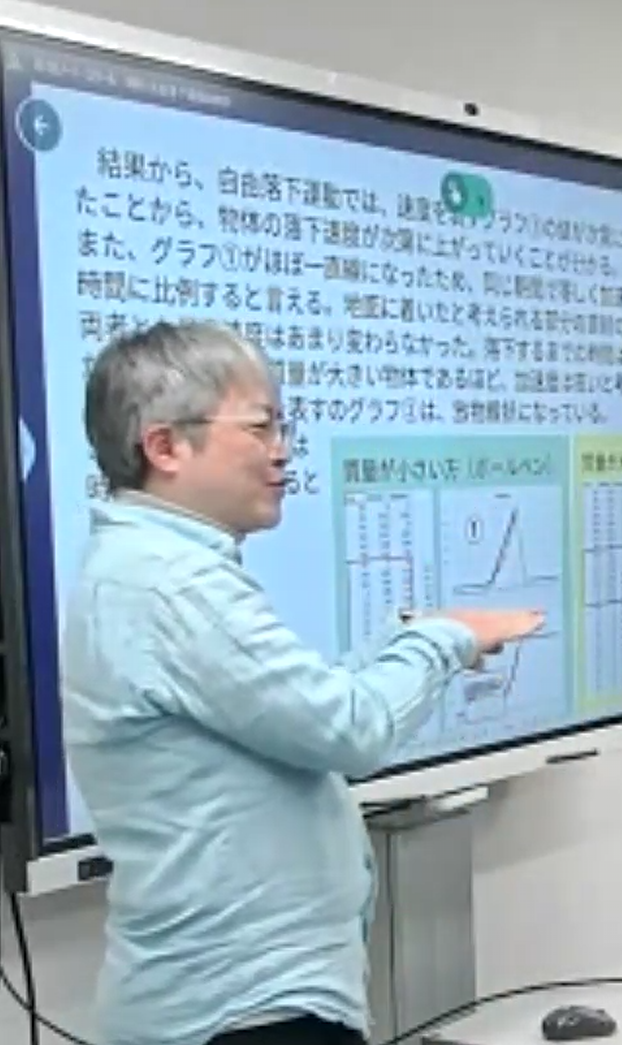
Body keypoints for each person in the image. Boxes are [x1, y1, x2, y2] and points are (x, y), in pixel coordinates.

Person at [60, 320, 543, 1045]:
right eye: (260, 427)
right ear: (164, 447)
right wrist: (446, 640)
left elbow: (294, 713)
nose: (282, 450)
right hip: (241, 1012)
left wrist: (412, 638)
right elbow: (350, 731)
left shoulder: (157, 569)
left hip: (247, 1003)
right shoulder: (169, 584)